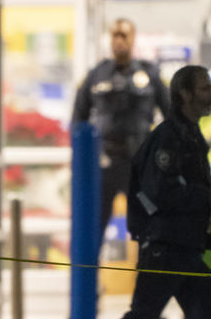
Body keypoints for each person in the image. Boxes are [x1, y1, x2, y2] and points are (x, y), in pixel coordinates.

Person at [52, 64, 211, 319]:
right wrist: (206, 195)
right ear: (185, 94)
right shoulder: (169, 138)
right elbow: (160, 192)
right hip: (166, 246)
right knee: (142, 318)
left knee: (208, 316)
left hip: (183, 246)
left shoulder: (189, 135)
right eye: (205, 87)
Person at [71, 18, 171, 243]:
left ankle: (148, 277)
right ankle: (90, 276)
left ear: (133, 39)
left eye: (123, 36)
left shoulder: (150, 74)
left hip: (140, 167)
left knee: (149, 230)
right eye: (114, 35)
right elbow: (78, 118)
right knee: (92, 231)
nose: (118, 41)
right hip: (105, 164)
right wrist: (84, 160)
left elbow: (171, 118)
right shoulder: (97, 74)